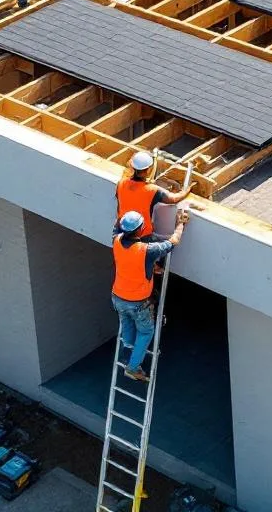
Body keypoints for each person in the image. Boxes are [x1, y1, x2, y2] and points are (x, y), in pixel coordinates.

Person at [112, 208, 187, 382]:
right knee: (146, 332)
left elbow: (117, 227)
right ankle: (132, 368)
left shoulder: (116, 240)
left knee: (128, 326)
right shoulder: (146, 250)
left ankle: (128, 355)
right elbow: (173, 242)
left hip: (118, 297)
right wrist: (181, 223)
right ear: (140, 229)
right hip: (137, 301)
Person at [115, 151, 193, 237]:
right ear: (148, 170)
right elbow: (174, 199)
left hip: (122, 228)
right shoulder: (151, 189)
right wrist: (186, 190)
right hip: (142, 234)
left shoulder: (121, 183)